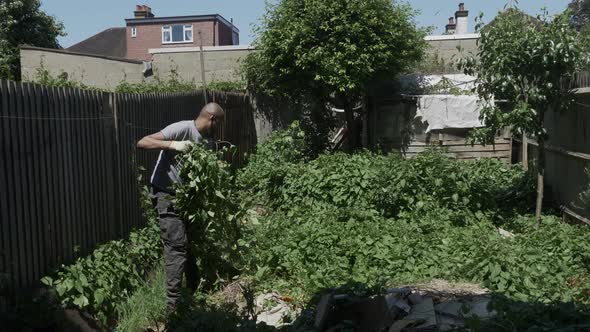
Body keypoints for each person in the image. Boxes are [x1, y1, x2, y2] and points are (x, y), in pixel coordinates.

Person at [137, 102, 225, 309]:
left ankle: (194, 294)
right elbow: (142, 142)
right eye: (218, 124)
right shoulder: (182, 128)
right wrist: (173, 145)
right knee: (176, 246)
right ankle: (173, 308)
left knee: (191, 243)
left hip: (188, 198)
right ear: (212, 119)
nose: (219, 129)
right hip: (166, 193)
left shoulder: (208, 142)